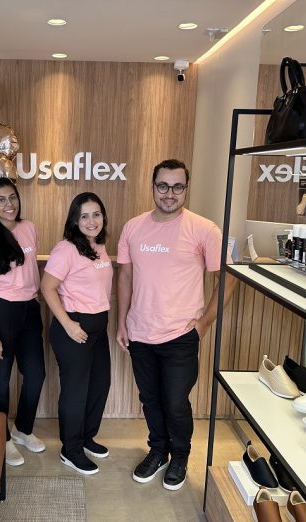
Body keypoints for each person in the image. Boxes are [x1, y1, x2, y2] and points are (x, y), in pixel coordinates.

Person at [116, 159, 235, 491]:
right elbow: (125, 276)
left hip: (181, 334)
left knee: (175, 402)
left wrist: (204, 323)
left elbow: (227, 278)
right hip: (140, 332)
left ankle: (179, 456)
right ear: (153, 186)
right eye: (163, 186)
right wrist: (122, 322)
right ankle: (158, 451)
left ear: (186, 188)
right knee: (150, 399)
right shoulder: (133, 227)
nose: (170, 193)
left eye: (177, 186)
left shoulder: (204, 229)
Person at [0, 177, 46, 467]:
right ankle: (0, 437)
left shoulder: (29, 228)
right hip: (1, 312)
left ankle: (22, 430)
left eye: (12, 197)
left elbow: (31, 271)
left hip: (30, 310)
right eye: (1, 200)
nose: (9, 204)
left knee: (36, 374)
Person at [41, 192, 113, 475]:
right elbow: (47, 287)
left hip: (98, 328)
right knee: (76, 392)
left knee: (100, 385)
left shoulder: (99, 246)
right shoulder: (66, 249)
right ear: (74, 220)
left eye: (96, 214)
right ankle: (70, 450)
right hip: (74, 328)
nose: (91, 221)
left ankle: (85, 438)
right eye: (84, 216)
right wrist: (69, 325)